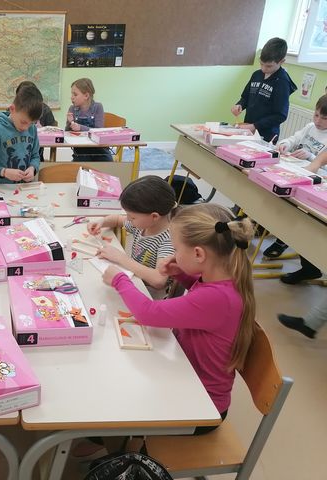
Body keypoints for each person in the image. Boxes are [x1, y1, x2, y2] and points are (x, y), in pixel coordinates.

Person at [103, 203, 256, 434]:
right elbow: (200, 299)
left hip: (200, 406)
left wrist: (119, 279)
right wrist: (182, 274)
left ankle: (113, 441)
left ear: (198, 254)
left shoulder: (218, 298)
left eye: (176, 249)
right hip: (187, 378)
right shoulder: (223, 278)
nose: (173, 254)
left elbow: (148, 313)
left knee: (115, 397)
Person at [261, 96, 327, 284]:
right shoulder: (310, 127)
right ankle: (279, 236)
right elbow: (294, 138)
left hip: (314, 185)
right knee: (278, 204)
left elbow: (323, 169)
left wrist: (312, 157)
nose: (318, 121)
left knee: (305, 224)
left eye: (324, 118)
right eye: (316, 115)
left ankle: (309, 267)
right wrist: (285, 144)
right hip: (296, 174)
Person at [88, 176, 177, 298]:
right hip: (134, 280)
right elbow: (117, 219)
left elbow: (158, 280)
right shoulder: (143, 224)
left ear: (154, 216)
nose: (128, 219)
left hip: (149, 295)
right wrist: (102, 222)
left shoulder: (168, 240)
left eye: (132, 217)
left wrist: (121, 258)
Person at [231, 37, 297, 143]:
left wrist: (255, 126)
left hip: (266, 136)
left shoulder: (282, 82)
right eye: (261, 64)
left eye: (269, 66)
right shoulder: (256, 75)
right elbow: (245, 97)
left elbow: (280, 115)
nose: (263, 69)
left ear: (282, 62)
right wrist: (240, 105)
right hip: (248, 129)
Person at [0, 84, 42, 183]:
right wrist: (4, 172)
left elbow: (35, 156)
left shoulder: (32, 129)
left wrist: (33, 168)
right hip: (1, 188)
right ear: (12, 109)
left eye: (31, 123)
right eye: (23, 122)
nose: (26, 128)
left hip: (24, 188)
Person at [65, 78, 112, 162]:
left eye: (75, 94)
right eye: (71, 94)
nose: (71, 97)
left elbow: (99, 131)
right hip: (81, 153)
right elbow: (67, 132)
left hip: (100, 153)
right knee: (77, 166)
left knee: (109, 165)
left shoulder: (98, 107)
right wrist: (69, 122)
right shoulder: (72, 109)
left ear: (86, 96)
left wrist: (80, 128)